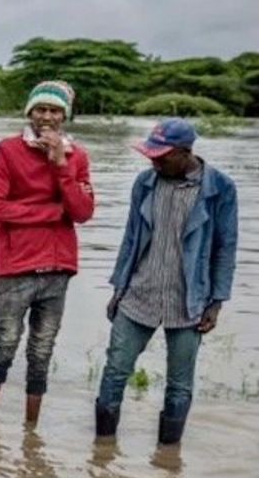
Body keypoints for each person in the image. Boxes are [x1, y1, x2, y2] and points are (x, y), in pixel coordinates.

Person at [95, 118, 237, 444]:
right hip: (139, 294)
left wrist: (216, 302)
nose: (153, 161)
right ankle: (101, 453)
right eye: (151, 155)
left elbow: (224, 248)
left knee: (179, 384)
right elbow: (130, 239)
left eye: (161, 156)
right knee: (115, 371)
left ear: (185, 152)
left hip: (189, 300)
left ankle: (168, 459)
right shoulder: (145, 183)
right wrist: (119, 289)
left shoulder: (220, 189)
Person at [0, 80, 95, 424]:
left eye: (55, 111)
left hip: (58, 269)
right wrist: (51, 214)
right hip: (16, 268)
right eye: (41, 109)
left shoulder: (77, 156)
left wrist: (60, 163)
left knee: (42, 353)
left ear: (64, 116)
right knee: (4, 347)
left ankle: (32, 433)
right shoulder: (8, 149)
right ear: (29, 112)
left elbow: (83, 212)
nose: (47, 117)